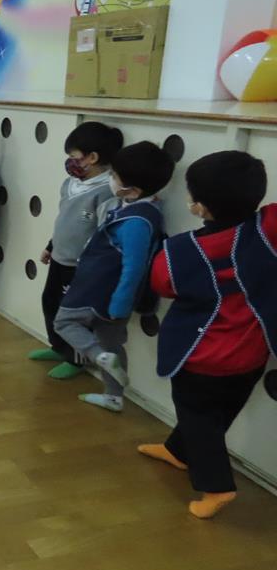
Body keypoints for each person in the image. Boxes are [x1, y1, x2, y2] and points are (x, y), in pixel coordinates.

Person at [139, 151, 276, 519]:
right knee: (217, 412)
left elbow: (164, 286)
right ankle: (177, 451)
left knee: (200, 419)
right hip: (252, 354)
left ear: (199, 206)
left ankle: (216, 486)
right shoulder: (268, 227)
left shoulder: (179, 251)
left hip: (201, 356)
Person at [54, 141, 174, 413]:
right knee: (112, 344)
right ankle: (113, 396)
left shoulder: (136, 223)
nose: (110, 178)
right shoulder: (144, 207)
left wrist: (120, 303)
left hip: (102, 292)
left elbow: (134, 267)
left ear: (132, 190)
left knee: (64, 322)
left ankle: (98, 357)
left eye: (115, 176)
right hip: (111, 295)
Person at [29, 122, 122, 379]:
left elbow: (104, 232)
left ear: (92, 158)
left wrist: (91, 265)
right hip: (60, 258)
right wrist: (51, 245)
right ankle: (58, 347)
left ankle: (76, 358)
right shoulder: (70, 184)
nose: (70, 162)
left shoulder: (107, 191)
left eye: (74, 156)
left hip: (80, 267)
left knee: (72, 316)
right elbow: (64, 221)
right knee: (50, 302)